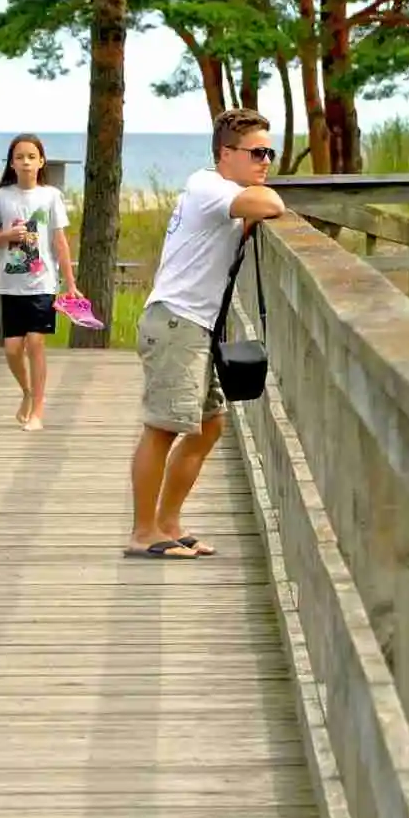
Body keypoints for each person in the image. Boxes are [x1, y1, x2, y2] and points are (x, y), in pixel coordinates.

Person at [125, 108, 286, 559]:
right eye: (257, 152)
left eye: (269, 152)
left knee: (209, 425)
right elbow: (272, 205)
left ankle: (168, 522)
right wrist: (258, 199)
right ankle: (143, 532)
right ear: (225, 153)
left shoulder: (223, 191)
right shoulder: (209, 187)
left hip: (193, 325)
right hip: (177, 322)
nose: (265, 161)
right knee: (161, 429)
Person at [0, 134, 79, 431]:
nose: (26, 162)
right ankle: (26, 392)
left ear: (41, 162)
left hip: (43, 282)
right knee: (12, 349)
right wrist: (6, 237)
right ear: (12, 163)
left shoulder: (50, 196)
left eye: (31, 156)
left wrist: (70, 283)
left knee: (35, 342)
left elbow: (60, 241)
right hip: (10, 284)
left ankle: (38, 410)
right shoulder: (2, 197)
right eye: (20, 157)